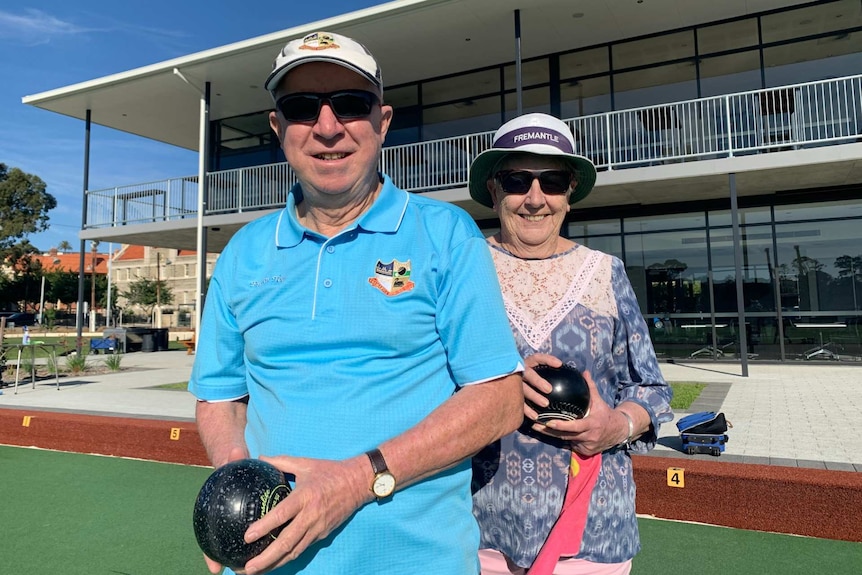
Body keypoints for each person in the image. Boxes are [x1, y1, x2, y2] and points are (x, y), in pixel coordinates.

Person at [188, 31, 525, 575]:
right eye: (301, 108)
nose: (327, 126)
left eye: (350, 104)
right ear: (278, 129)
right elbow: (219, 399)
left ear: (382, 122)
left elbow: (500, 397)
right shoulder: (241, 254)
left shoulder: (444, 234)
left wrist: (351, 483)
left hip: (415, 561)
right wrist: (234, 478)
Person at [469, 113, 674, 575]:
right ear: (496, 190)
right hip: (478, 518)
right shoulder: (465, 268)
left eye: (553, 181)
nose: (535, 199)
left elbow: (652, 389)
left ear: (570, 193)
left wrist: (617, 426)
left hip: (592, 520)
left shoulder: (606, 271)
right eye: (518, 180)